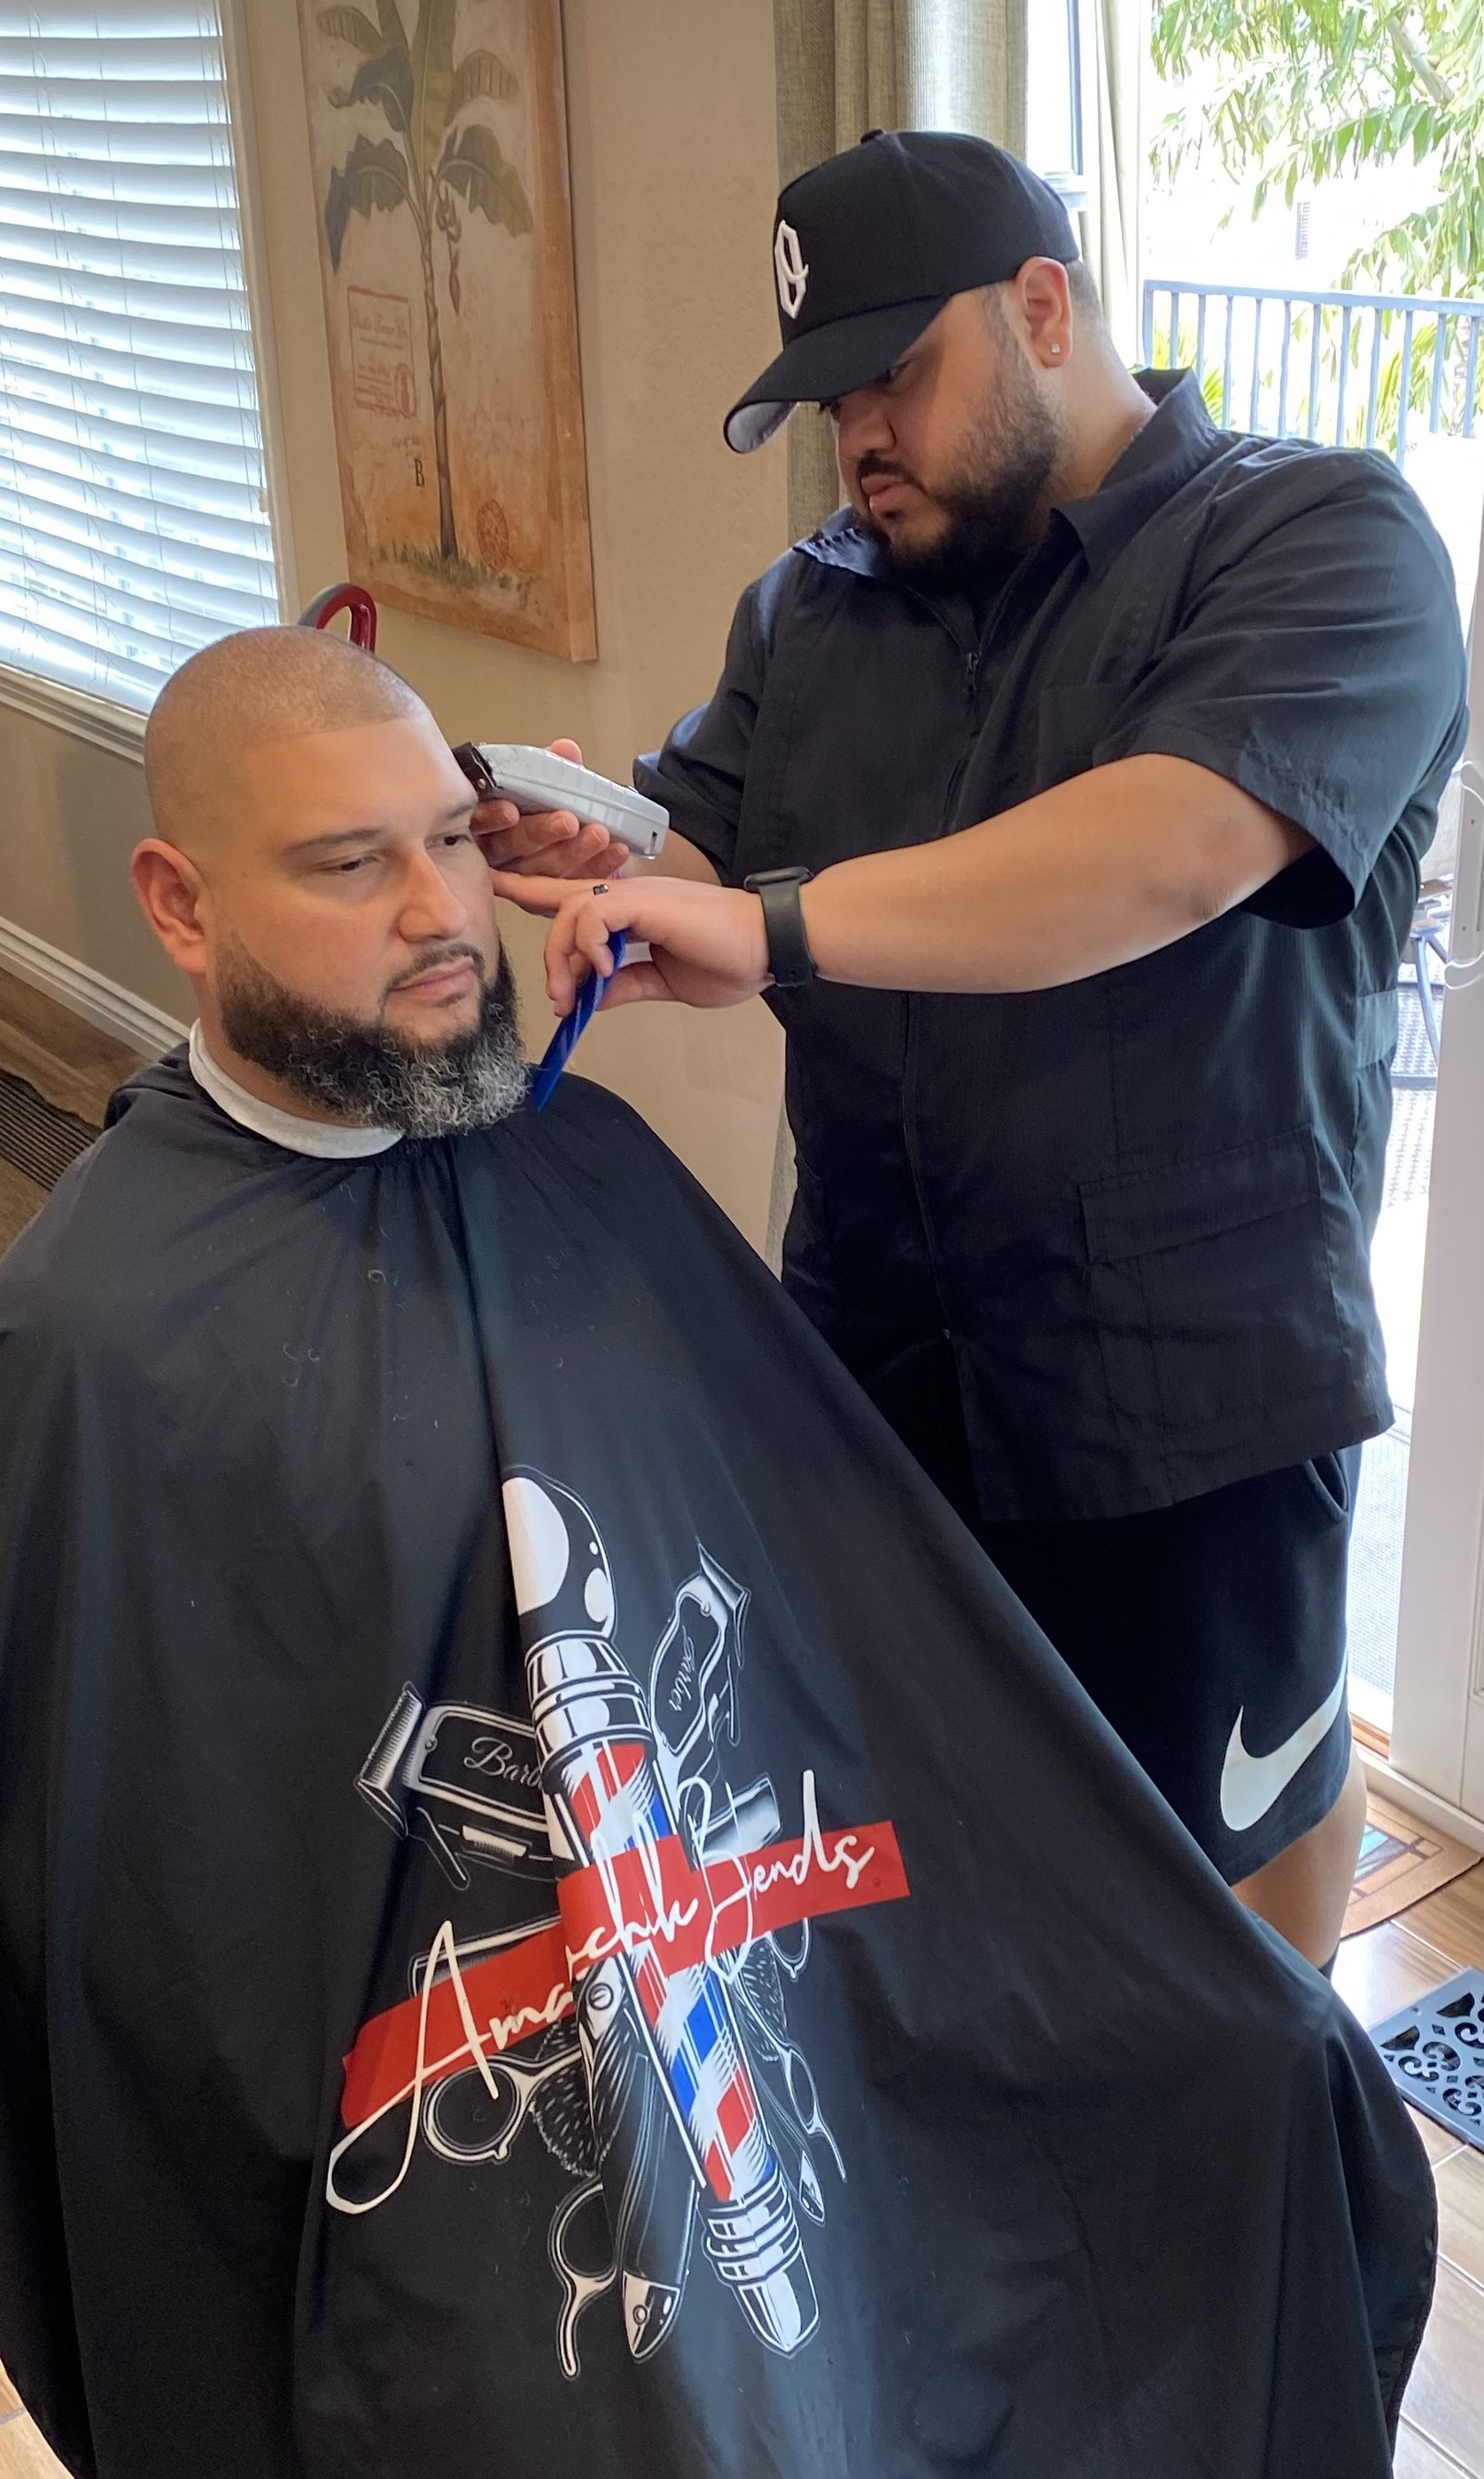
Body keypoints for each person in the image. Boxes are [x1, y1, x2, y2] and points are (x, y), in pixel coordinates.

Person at [0, 626, 1437, 2478]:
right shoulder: (93, 1340)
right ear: (179, 906)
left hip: (772, 1948)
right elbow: (142, 1959)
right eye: (350, 865)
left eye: (452, 836)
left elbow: (862, 1645)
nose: (441, 913)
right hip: (441, 2122)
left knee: (1254, 2082)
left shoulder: (583, 1169)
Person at [484, 130, 1471, 1976]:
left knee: (1217, 1872)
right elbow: (713, 856)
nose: (857, 436)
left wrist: (760, 920)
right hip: (879, 1365)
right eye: (825, 398)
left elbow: (1170, 847)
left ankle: (1256, 2220)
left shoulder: (1316, 535)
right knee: (925, 1835)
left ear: (1040, 308)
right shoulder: (812, 601)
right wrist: (625, 870)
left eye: (892, 376)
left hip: (1187, 1406)